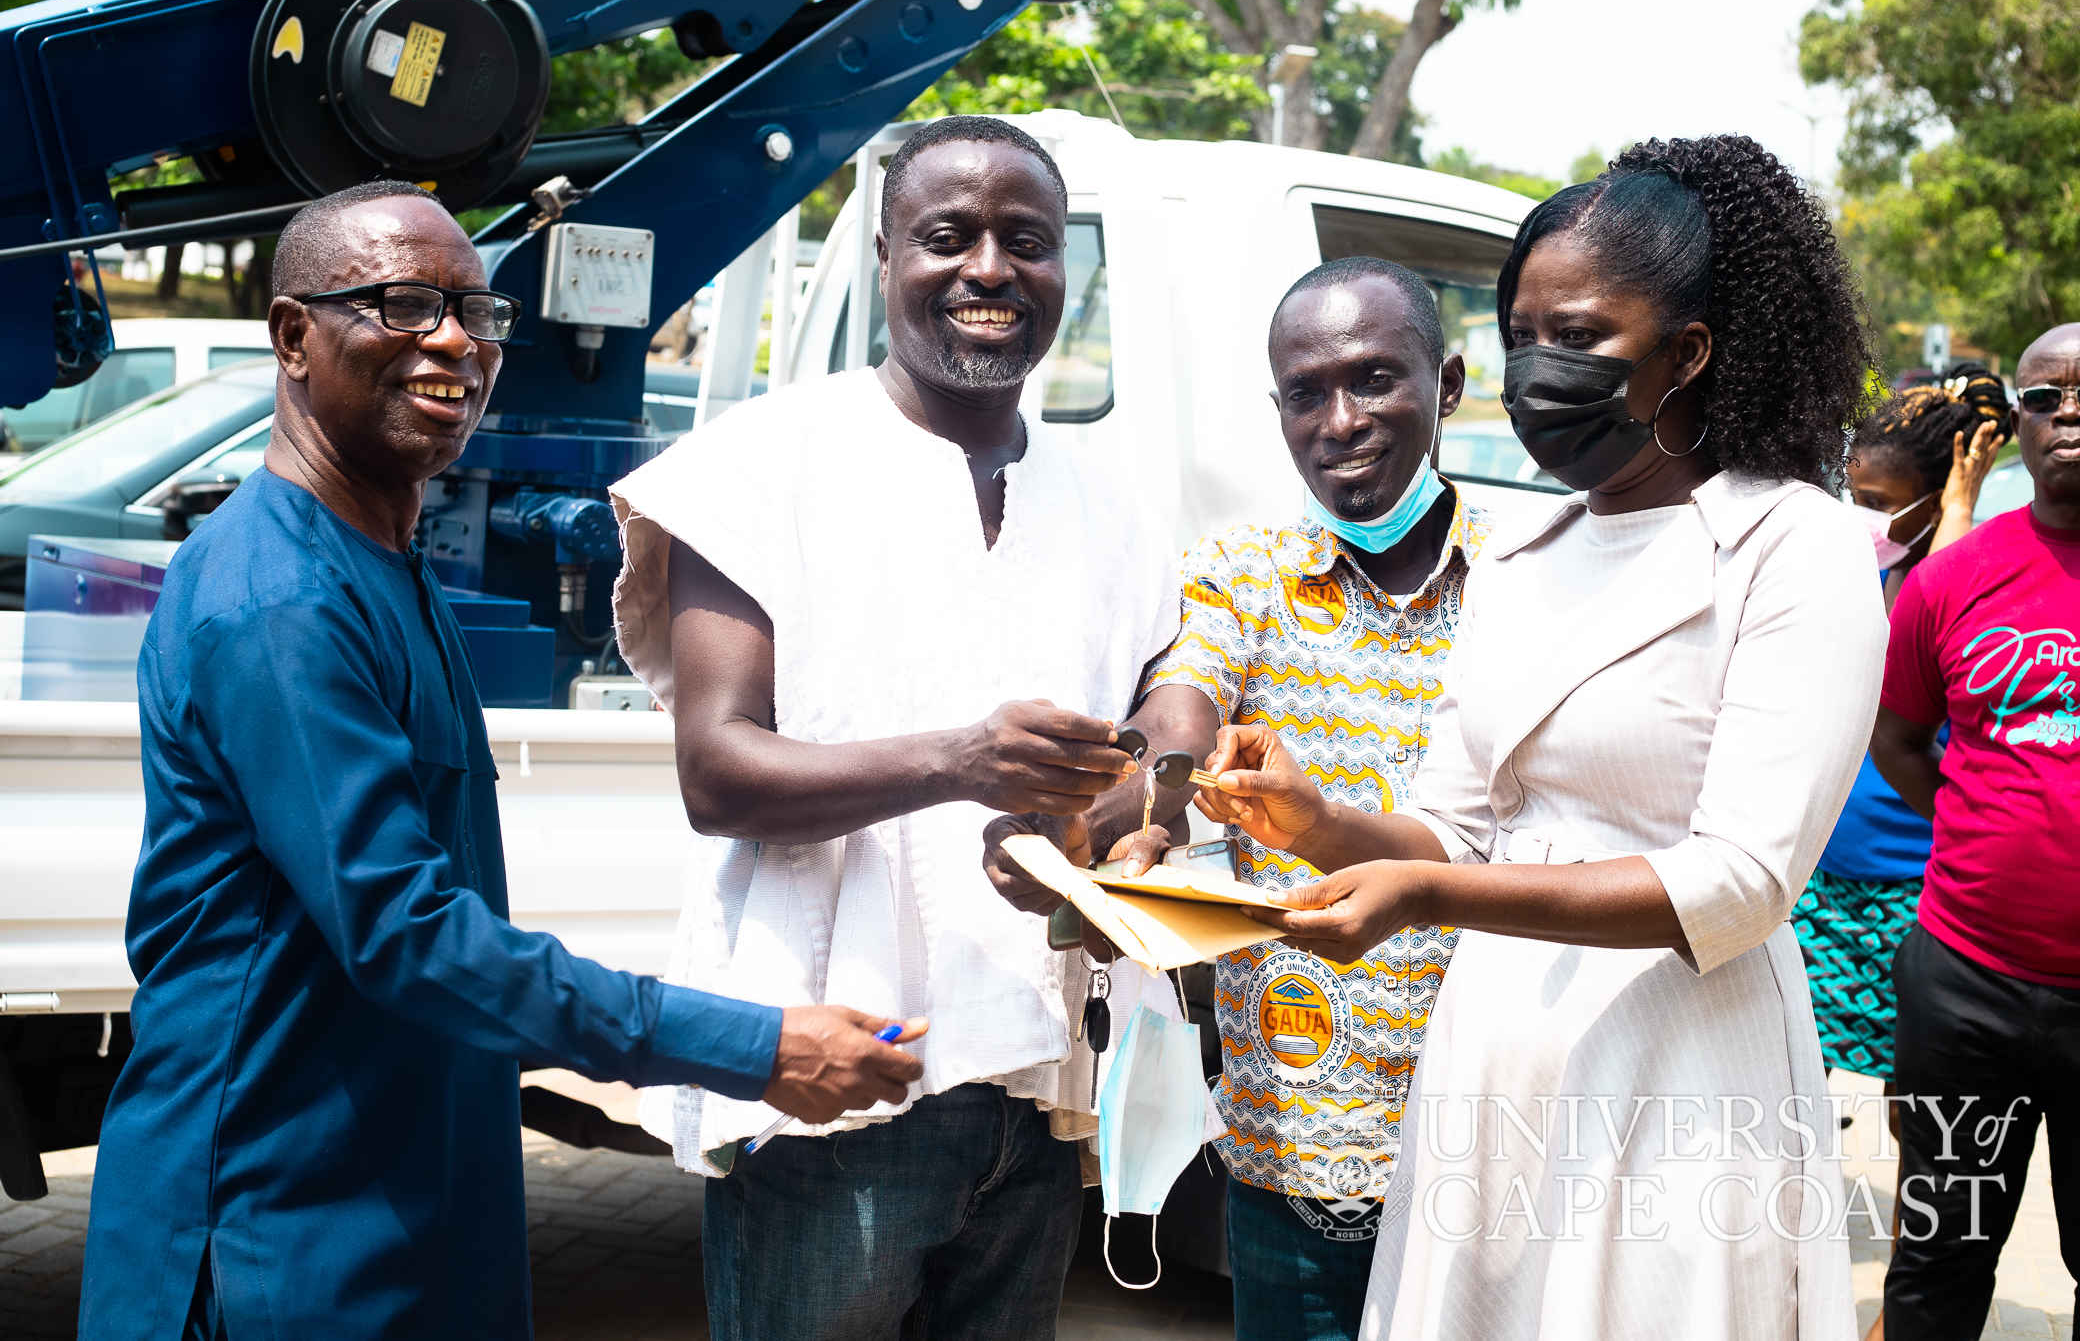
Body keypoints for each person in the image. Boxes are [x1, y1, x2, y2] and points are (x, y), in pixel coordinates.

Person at [76, 182, 922, 1341]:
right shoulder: (277, 598)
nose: (455, 340)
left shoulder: (384, 558)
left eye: (477, 310)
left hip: (410, 1207)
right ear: (291, 337)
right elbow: (409, 933)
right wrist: (755, 1044)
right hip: (276, 1233)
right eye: (403, 303)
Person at [1191, 136, 1888, 1340]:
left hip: (1674, 1062)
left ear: (1689, 352)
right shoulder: (1522, 552)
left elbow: (1740, 879)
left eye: (1576, 336)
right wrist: (1318, 822)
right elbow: (1451, 823)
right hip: (1493, 1058)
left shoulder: (1794, 547)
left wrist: (1425, 891)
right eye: (1521, 335)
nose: (1536, 369)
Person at [607, 117, 1178, 1340]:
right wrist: (959, 760)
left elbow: (1164, 699)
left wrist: (1130, 800)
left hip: (1032, 1077)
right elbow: (718, 769)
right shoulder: (761, 466)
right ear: (883, 257)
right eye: (947, 237)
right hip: (834, 1073)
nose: (988, 269)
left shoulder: (1106, 499)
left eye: (1025, 241)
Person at [982, 256, 1491, 1340]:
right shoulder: (1243, 570)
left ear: (1445, 385)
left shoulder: (1521, 585)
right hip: (1293, 1139)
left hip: (1491, 1132)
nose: (1340, 420)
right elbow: (1181, 709)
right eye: (1306, 393)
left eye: (1374, 380)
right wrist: (1136, 815)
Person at [1870, 324, 2080, 1340]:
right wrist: (1989, 823)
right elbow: (1899, 739)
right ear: (2015, 421)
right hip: (1965, 984)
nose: (2069, 412)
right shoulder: (1952, 577)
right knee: (1938, 1260)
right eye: (2044, 396)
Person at [1791, 373, 2007, 1341]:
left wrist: (1958, 514)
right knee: (1789, 1079)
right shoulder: (1843, 564)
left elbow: (1939, 638)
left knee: (1918, 1115)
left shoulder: (1966, 570)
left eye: (1880, 503)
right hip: (1822, 877)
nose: (1860, 515)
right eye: (1854, 491)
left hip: (1919, 886)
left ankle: (1902, 1309)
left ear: (1936, 495)